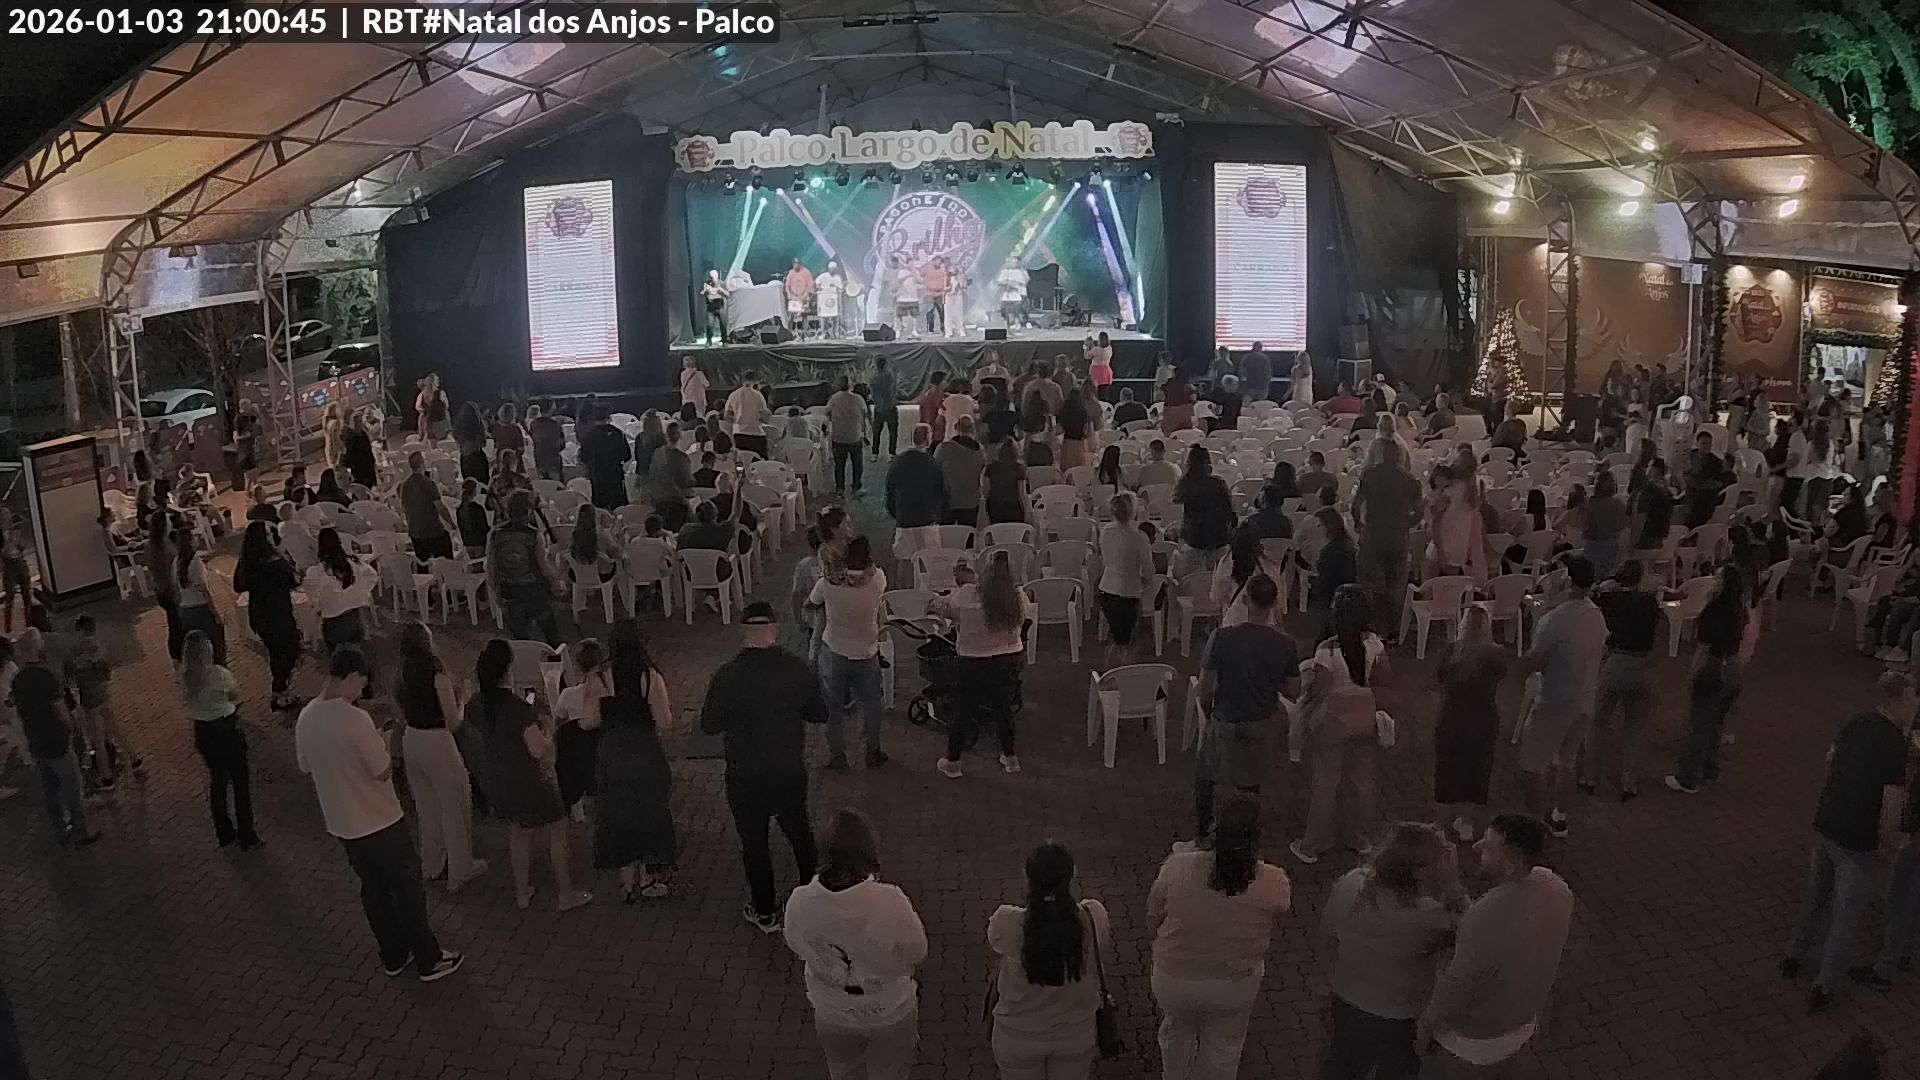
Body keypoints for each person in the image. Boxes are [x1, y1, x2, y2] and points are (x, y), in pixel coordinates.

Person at [296, 646, 461, 981]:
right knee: (407, 889)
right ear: (351, 677)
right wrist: (384, 739)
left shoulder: (307, 716)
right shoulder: (355, 720)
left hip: (342, 823)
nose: (361, 691)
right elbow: (382, 770)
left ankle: (393, 954)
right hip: (379, 819)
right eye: (361, 683)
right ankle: (428, 958)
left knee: (373, 890)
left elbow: (305, 765)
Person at [1776, 673, 1914, 1012]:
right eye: (1913, 697)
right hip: (1858, 838)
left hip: (1828, 821)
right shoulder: (1895, 744)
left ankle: (1794, 955)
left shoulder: (1856, 721)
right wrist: (1889, 844)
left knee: (1815, 895)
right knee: (1845, 915)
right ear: (1898, 699)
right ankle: (1824, 985)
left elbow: (1831, 757)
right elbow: (1892, 802)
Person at [1418, 814, 1572, 1076]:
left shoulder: (1485, 917)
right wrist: (1453, 887)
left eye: (1489, 846)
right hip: (1520, 1030)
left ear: (1512, 864)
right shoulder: (1557, 889)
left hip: (1472, 1047)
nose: (1476, 846)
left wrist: (1421, 1034)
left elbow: (1453, 991)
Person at [702, 601, 824, 931]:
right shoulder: (796, 669)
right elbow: (819, 713)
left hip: (745, 774)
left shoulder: (727, 675)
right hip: (787, 768)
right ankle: (812, 903)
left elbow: (708, 725)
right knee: (800, 833)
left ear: (744, 630)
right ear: (775, 628)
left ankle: (765, 909)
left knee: (754, 843)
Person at [1148, 797, 1291, 1080]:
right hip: (1234, 984)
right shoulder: (1275, 881)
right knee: (1224, 1049)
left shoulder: (1176, 868)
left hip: (1174, 979)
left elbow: (1153, 917)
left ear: (1215, 830)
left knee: (1176, 1033)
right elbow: (1277, 916)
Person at [783, 808, 929, 1080]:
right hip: (890, 1009)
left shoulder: (800, 901)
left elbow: (795, 943)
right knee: (890, 1072)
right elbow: (917, 951)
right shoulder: (890, 901)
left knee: (843, 1070)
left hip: (832, 1011)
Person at [1320, 822, 1462, 1079]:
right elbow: (1470, 934)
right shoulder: (1430, 916)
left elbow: (1328, 929)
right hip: (1400, 1014)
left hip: (1347, 998)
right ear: (1420, 872)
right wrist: (1453, 886)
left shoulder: (1351, 884)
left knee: (1341, 1066)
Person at [465, 639, 589, 912]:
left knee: (519, 830)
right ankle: (565, 894)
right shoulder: (518, 709)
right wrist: (547, 732)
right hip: (527, 779)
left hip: (496, 779)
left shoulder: (476, 704)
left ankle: (522, 892)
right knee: (557, 828)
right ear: (508, 670)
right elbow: (537, 750)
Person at [987, 842, 1113, 1080]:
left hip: (1017, 1037)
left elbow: (995, 949)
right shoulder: (1094, 916)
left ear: (1027, 878)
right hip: (1076, 1035)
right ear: (1071, 877)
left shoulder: (1005, 921)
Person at [577, 619, 677, 902]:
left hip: (613, 753)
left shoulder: (599, 677)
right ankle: (646, 879)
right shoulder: (650, 677)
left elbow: (587, 721)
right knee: (647, 811)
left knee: (617, 814)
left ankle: (626, 881)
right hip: (645, 751)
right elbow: (665, 722)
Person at [1192, 575, 1298, 842]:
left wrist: (1209, 712)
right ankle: (1245, 836)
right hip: (1262, 721)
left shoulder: (1222, 637)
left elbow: (1205, 687)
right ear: (1274, 602)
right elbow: (1293, 690)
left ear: (1245, 599)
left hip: (1226, 718)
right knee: (1250, 783)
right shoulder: (1285, 644)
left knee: (1206, 777)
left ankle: (1204, 833)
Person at [1289, 585, 1384, 864]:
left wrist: (1304, 717)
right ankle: (1359, 838)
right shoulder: (1375, 644)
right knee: (1361, 781)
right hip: (1364, 712)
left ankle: (1314, 843)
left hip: (1334, 716)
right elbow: (1382, 679)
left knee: (1325, 781)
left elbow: (1319, 690)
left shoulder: (1327, 650)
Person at [1516, 555, 1607, 837]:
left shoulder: (1555, 620)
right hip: (1585, 699)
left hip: (1554, 702)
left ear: (1569, 581)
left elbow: (1533, 662)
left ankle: (1536, 825)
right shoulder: (1596, 614)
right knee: (1566, 761)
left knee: (1532, 765)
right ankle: (1559, 815)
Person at [394, 622, 485, 893]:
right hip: (437, 741)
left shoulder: (401, 673)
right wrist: (463, 699)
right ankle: (461, 868)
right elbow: (453, 721)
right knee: (454, 803)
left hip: (412, 738)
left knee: (427, 806)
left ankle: (432, 864)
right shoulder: (436, 673)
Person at [931, 550, 1032, 778]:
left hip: (972, 661)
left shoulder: (966, 595)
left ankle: (953, 763)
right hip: (1009, 659)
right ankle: (1010, 758)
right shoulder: (1018, 597)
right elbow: (1026, 618)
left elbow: (948, 610)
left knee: (962, 710)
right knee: (1003, 709)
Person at [1666, 564, 1750, 794]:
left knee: (1699, 723)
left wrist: (1695, 672)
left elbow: (1704, 643)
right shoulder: (1739, 609)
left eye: (1717, 578)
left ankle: (1687, 777)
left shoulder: (1715, 610)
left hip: (1712, 666)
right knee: (1717, 722)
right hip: (1733, 666)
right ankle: (1710, 768)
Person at [1581, 560, 1661, 800]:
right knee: (1635, 727)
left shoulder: (1611, 600)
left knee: (1598, 721)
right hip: (1643, 665)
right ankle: (1628, 781)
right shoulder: (1650, 602)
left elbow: (1593, 597)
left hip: (1617, 662)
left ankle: (1589, 776)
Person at [1433, 607, 1509, 841]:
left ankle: (1440, 826)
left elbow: (1439, 678)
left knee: (1446, 773)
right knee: (1476, 774)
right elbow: (1502, 675)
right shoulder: (1496, 656)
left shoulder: (1451, 652)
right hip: (1483, 721)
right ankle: (1467, 824)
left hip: (1452, 720)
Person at [178, 627, 258, 850]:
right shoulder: (219, 674)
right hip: (226, 729)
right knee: (240, 783)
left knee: (218, 781)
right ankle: (246, 833)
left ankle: (224, 832)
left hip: (204, 733)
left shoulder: (185, 677)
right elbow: (235, 696)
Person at [14, 630, 95, 846]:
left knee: (50, 788)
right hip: (56, 739)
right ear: (36, 646)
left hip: (35, 740)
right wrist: (74, 729)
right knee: (71, 785)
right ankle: (80, 830)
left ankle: (60, 828)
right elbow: (60, 710)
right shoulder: (46, 676)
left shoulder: (18, 679)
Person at [1352, 437, 1423, 637]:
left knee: (1372, 583)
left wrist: (1358, 523)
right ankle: (1394, 630)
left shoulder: (1369, 475)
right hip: (1398, 536)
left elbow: (1356, 505)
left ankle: (1375, 627)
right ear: (1400, 456)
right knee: (1396, 584)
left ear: (1382, 454)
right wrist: (1407, 524)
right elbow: (1419, 512)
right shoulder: (1410, 480)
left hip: (1374, 533)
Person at [234, 521, 303, 711]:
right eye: (269, 534)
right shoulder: (275, 563)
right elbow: (294, 581)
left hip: (259, 614)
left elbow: (238, 586)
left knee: (276, 653)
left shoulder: (247, 561)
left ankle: (281, 692)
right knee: (291, 650)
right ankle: (279, 689)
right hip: (278, 614)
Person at [488, 491, 560, 646]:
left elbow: (491, 566)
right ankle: (555, 656)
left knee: (521, 638)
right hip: (532, 590)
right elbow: (543, 566)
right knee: (550, 632)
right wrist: (556, 581)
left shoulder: (496, 534)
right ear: (528, 511)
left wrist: (495, 590)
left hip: (508, 590)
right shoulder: (533, 534)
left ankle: (526, 658)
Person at [1098, 492, 1158, 668]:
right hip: (1128, 594)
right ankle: (1125, 674)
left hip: (1106, 589)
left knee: (1117, 638)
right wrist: (1145, 582)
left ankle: (1110, 673)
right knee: (1128, 642)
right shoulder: (1139, 537)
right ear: (1133, 511)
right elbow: (1148, 570)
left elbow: (1106, 560)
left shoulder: (1106, 531)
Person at [306, 527, 374, 652]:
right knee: (357, 657)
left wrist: (319, 607)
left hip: (333, 623)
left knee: (338, 659)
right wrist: (361, 593)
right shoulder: (354, 563)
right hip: (355, 618)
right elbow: (372, 576)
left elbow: (313, 598)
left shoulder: (316, 572)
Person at [1175, 447, 1236, 575]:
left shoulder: (1186, 486)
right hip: (1219, 539)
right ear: (1209, 465)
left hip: (1194, 540)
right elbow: (1230, 513)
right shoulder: (1219, 484)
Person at [1307, 509, 1359, 636]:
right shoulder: (1350, 544)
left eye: (1319, 525)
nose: (1316, 529)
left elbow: (1325, 583)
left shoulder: (1330, 551)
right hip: (1350, 597)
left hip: (1333, 599)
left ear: (1328, 527)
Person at [398, 451, 456, 561]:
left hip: (415, 532)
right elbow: (440, 508)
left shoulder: (405, 485)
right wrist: (452, 524)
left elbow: (404, 508)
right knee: (446, 558)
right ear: (422, 463)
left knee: (422, 562)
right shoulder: (429, 484)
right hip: (433, 531)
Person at [826, 376, 870, 496]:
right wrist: (864, 431)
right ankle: (856, 487)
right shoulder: (858, 398)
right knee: (857, 463)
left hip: (838, 437)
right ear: (850, 385)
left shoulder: (833, 399)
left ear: (839, 386)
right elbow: (865, 413)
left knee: (839, 464)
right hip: (854, 436)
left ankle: (840, 488)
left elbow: (827, 413)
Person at [724, 370, 773, 459]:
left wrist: (737, 420)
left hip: (738, 434)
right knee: (760, 462)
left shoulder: (733, 395)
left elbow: (726, 416)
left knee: (742, 461)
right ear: (755, 381)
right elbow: (765, 417)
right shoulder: (758, 395)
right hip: (756, 434)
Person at [983, 439, 1030, 526]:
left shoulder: (990, 467)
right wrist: (1027, 511)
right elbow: (1022, 494)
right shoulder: (1020, 468)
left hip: (995, 506)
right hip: (1014, 506)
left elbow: (985, 491)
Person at [870, 355, 901, 456]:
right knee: (893, 432)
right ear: (885, 364)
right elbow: (893, 390)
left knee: (876, 432)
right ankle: (891, 453)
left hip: (879, 408)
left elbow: (873, 392)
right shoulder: (890, 375)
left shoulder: (873, 377)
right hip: (890, 407)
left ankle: (875, 453)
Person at [340, 411, 378, 490]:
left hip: (368, 467)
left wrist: (373, 461)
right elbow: (348, 457)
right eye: (358, 422)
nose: (359, 424)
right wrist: (350, 471)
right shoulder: (351, 438)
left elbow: (368, 449)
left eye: (360, 421)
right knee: (362, 489)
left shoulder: (363, 434)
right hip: (358, 470)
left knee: (370, 487)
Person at [528, 404, 566, 480]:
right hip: (554, 462)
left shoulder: (533, 425)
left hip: (539, 462)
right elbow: (562, 444)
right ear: (551, 408)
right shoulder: (556, 425)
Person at [917, 370, 950, 444]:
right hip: (937, 431)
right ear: (940, 381)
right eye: (946, 380)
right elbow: (943, 410)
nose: (947, 383)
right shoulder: (939, 395)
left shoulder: (927, 394)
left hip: (927, 429)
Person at [415, 373, 450, 441]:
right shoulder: (441, 393)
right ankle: (449, 428)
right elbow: (447, 406)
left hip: (428, 423)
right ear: (435, 382)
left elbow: (417, 407)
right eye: (437, 380)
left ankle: (421, 433)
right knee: (446, 412)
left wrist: (425, 411)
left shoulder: (422, 394)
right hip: (440, 423)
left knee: (432, 445)